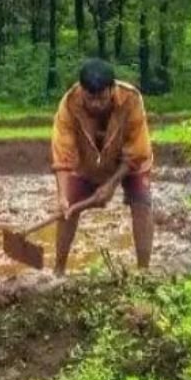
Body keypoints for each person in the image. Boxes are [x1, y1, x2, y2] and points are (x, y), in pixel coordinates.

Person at [50, 58, 154, 275]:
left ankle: (143, 273)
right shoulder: (69, 104)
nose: (96, 104)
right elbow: (63, 153)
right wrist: (62, 196)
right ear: (82, 91)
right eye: (90, 98)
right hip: (88, 160)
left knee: (142, 203)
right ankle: (58, 271)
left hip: (129, 162)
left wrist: (111, 184)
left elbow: (137, 150)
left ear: (111, 89)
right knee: (68, 207)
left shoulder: (131, 99)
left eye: (102, 98)